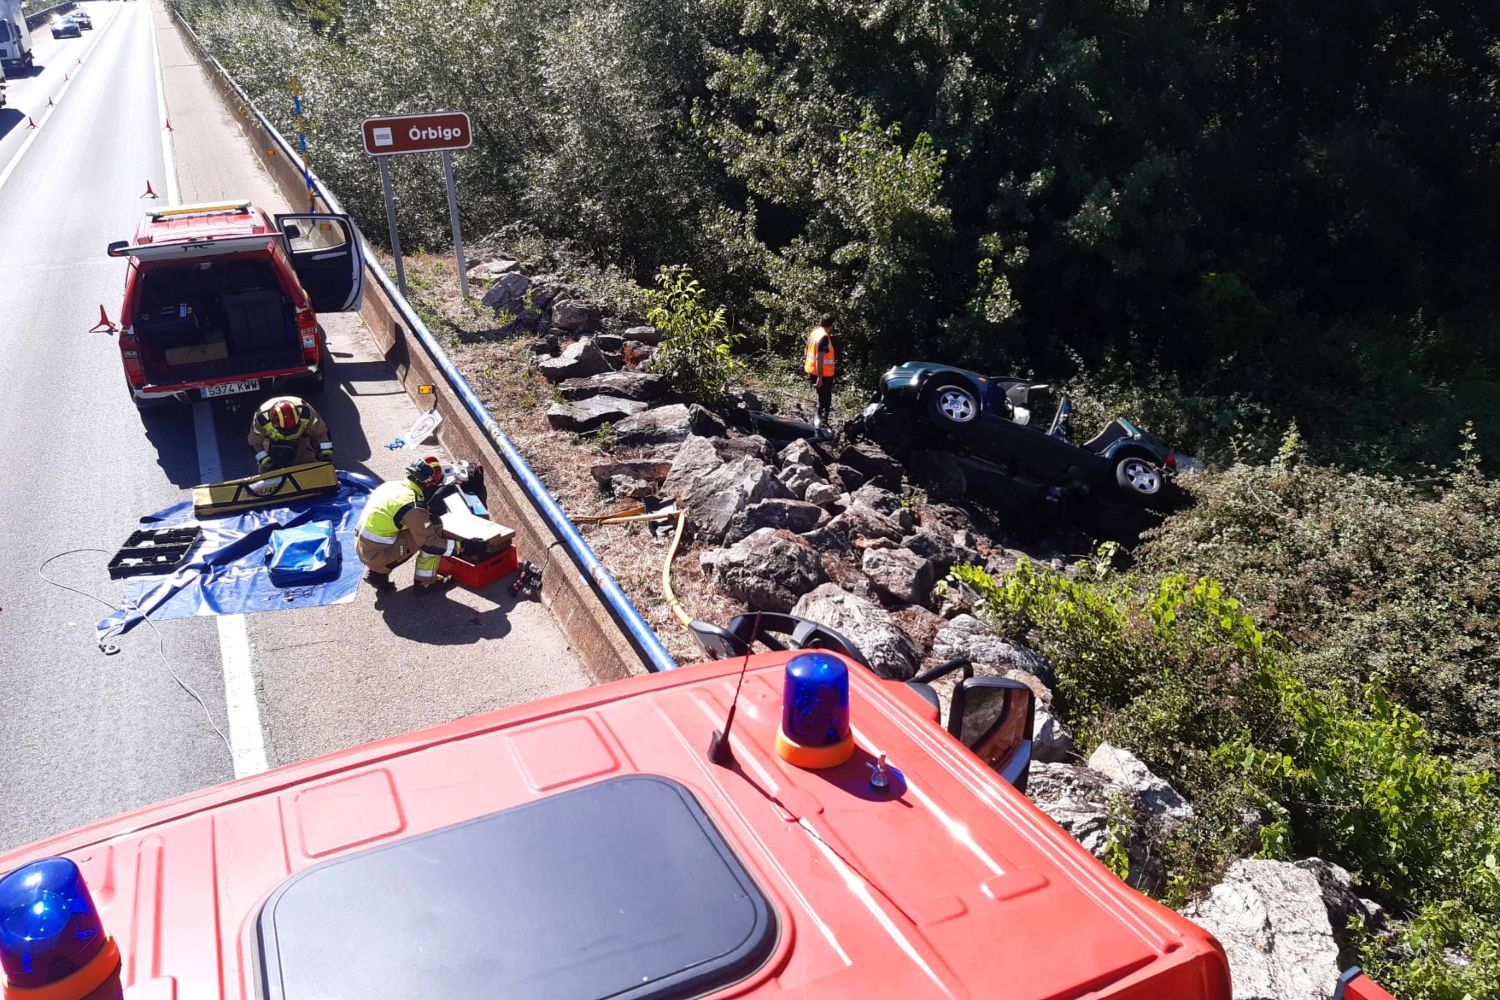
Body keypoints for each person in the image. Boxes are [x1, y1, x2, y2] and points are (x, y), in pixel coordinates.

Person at [355, 456, 452, 592]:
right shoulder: (412, 506)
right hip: (377, 555)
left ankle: (378, 574)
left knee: (421, 526)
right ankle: (425, 583)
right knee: (433, 530)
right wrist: (462, 546)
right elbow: (430, 543)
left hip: (364, 546)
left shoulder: (392, 486)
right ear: (428, 483)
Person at [248, 396, 333, 472]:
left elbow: (322, 433)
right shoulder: (261, 419)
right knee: (265, 472)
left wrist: (326, 455)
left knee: (309, 467)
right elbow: (254, 443)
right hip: (272, 441)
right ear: (274, 423)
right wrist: (265, 460)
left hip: (300, 438)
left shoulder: (306, 412)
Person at [804, 313, 837, 430]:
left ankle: (819, 418)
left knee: (821, 396)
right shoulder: (823, 337)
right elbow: (820, 358)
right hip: (823, 373)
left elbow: (806, 350)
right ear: (831, 325)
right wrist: (820, 377)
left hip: (811, 370)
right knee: (825, 398)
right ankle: (822, 423)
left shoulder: (815, 333)